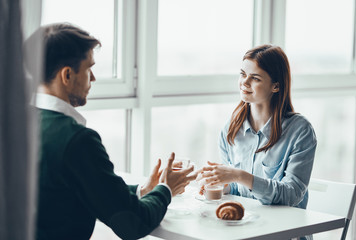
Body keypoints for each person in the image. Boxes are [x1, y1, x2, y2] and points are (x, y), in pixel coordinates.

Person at [25, 23, 196, 240]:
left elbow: (76, 188)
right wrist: (166, 189)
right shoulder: (77, 140)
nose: (93, 78)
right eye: (89, 68)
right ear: (67, 75)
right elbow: (133, 223)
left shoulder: (15, 124)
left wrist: (142, 190)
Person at [198, 44, 317, 210]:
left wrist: (238, 175)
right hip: (247, 226)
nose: (244, 82)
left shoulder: (300, 131)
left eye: (255, 78)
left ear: (276, 86)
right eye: (243, 74)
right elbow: (236, 189)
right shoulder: (231, 129)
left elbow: (292, 195)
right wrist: (217, 183)